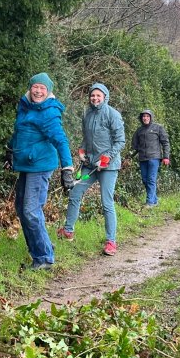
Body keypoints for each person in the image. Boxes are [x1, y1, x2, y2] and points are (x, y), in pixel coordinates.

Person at [6, 72, 74, 270]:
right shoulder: (25, 105)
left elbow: (61, 140)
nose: (38, 91)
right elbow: (19, 132)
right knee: (21, 208)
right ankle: (42, 246)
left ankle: (44, 258)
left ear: (48, 91)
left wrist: (67, 169)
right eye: (35, 87)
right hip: (26, 163)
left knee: (30, 210)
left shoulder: (49, 112)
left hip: (41, 166)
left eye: (42, 88)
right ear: (30, 87)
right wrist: (10, 151)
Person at [57, 83, 125, 256]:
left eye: (98, 95)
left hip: (108, 166)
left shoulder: (113, 114)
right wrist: (81, 149)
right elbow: (86, 137)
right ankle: (68, 230)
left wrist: (107, 156)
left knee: (106, 202)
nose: (95, 98)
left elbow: (120, 141)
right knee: (75, 193)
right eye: (92, 95)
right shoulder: (87, 113)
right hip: (90, 164)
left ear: (105, 97)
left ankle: (111, 242)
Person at [130, 109, 170, 207]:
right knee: (145, 180)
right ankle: (155, 200)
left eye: (147, 116)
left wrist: (166, 157)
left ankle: (150, 202)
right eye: (144, 116)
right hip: (142, 158)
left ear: (151, 117)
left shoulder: (158, 128)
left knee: (151, 179)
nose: (145, 118)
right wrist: (129, 157)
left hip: (154, 158)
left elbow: (165, 143)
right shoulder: (138, 131)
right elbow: (134, 145)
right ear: (141, 118)